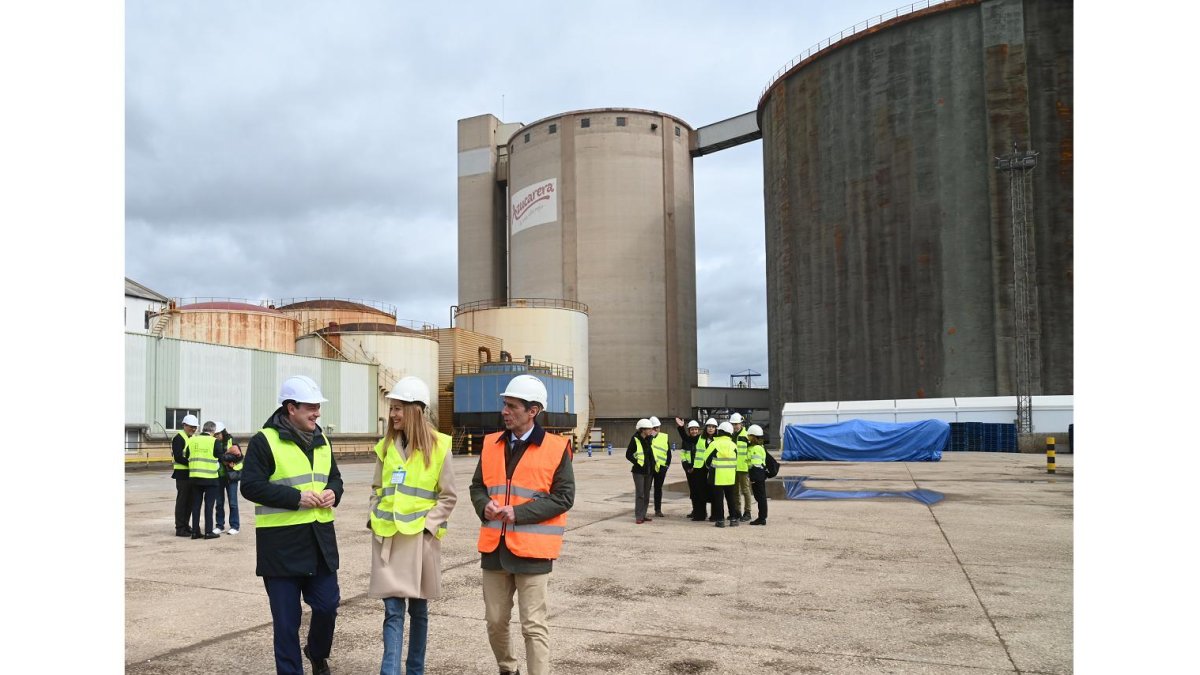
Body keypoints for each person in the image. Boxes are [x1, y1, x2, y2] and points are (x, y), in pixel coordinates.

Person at [469, 374, 575, 675]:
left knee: (533, 625)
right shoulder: (491, 444)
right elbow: (477, 486)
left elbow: (564, 498)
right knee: (495, 621)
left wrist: (520, 513)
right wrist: (483, 504)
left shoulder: (556, 448)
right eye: (505, 404)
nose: (505, 411)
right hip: (494, 549)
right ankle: (508, 669)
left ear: (533, 411)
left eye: (512, 406)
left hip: (533, 552)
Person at [242, 375, 344, 675]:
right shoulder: (265, 441)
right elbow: (249, 486)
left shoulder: (322, 440)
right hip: (281, 546)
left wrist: (333, 492)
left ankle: (316, 651)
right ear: (290, 408)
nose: (317, 413)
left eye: (318, 407)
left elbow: (335, 478)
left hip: (319, 542)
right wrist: (295, 498)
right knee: (286, 622)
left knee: (327, 606)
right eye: (311, 407)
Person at [368, 376, 458, 675]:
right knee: (393, 610)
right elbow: (377, 488)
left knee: (419, 610)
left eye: (399, 408)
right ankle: (389, 671)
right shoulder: (386, 446)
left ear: (416, 410)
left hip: (420, 541)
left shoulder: (440, 446)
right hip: (389, 538)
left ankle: (415, 670)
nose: (393, 414)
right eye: (392, 407)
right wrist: (375, 512)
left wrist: (427, 527)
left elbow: (448, 497)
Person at [186, 420, 223, 540]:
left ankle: (195, 532)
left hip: (194, 478)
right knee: (209, 506)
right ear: (213, 430)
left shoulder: (192, 440)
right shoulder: (214, 441)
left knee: (196, 505)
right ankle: (208, 532)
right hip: (210, 479)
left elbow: (187, 455)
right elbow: (220, 456)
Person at [706, 422, 740, 528]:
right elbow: (737, 460)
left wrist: (712, 468)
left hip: (717, 477)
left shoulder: (714, 444)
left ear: (719, 431)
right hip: (730, 477)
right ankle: (733, 519)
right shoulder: (734, 445)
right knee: (731, 498)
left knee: (718, 499)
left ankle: (720, 520)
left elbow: (706, 461)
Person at [625, 419, 657, 524]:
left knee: (646, 494)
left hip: (649, 471)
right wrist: (637, 462)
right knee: (640, 494)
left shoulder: (649, 439)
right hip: (638, 471)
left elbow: (650, 454)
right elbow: (628, 454)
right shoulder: (635, 439)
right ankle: (638, 516)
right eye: (649, 429)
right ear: (643, 430)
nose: (651, 430)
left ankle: (643, 515)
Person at [172, 414, 199, 537]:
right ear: (184, 425)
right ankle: (180, 528)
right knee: (182, 502)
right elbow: (178, 457)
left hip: (191, 474)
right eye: (191, 427)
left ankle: (186, 525)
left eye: (195, 427)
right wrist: (191, 462)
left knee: (190, 502)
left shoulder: (192, 438)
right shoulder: (179, 438)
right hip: (182, 475)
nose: (193, 429)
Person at [214, 422, 243, 535]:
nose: (216, 436)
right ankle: (219, 526)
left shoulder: (232, 442)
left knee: (233, 503)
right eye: (214, 434)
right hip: (218, 476)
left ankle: (235, 526)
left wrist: (222, 457)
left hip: (231, 477)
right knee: (219, 503)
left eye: (218, 434)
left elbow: (239, 456)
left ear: (223, 433)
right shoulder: (213, 443)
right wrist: (225, 457)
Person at [674, 418, 706, 521]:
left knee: (700, 491)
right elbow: (683, 455)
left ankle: (702, 511)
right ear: (689, 431)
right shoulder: (686, 442)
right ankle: (695, 510)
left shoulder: (701, 440)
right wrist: (687, 468)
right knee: (693, 491)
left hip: (699, 469)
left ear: (699, 430)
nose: (694, 431)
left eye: (696, 429)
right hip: (689, 470)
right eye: (692, 429)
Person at [730, 413, 753, 522]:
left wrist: (749, 464)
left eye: (737, 424)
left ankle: (747, 512)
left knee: (745, 490)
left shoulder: (747, 435)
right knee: (735, 491)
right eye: (733, 424)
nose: (735, 426)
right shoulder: (730, 436)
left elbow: (753, 450)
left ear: (741, 423)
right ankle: (737, 512)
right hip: (732, 467)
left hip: (743, 467)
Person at [695, 419, 720, 521]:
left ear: (716, 429)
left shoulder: (718, 439)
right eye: (709, 426)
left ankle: (714, 515)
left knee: (714, 492)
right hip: (700, 468)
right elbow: (688, 440)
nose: (711, 428)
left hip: (713, 468)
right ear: (706, 428)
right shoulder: (700, 438)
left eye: (713, 427)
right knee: (700, 491)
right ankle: (700, 515)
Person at [648, 416, 671, 517]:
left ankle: (658, 510)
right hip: (649, 468)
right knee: (646, 489)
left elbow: (668, 453)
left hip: (661, 468)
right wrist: (650, 437)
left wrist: (666, 465)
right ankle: (643, 510)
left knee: (658, 489)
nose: (656, 429)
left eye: (657, 427)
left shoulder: (664, 437)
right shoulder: (646, 438)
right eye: (654, 428)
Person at [746, 424, 769, 525]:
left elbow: (756, 465)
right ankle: (762, 517)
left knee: (760, 497)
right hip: (760, 475)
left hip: (757, 476)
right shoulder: (759, 446)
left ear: (753, 436)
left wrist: (753, 478)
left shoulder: (756, 448)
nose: (748, 437)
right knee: (761, 497)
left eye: (749, 436)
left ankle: (762, 518)